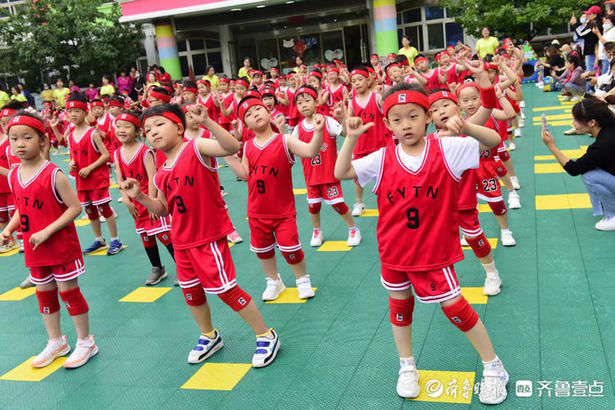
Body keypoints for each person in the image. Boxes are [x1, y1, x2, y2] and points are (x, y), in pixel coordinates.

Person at [334, 84, 509, 404]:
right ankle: (407, 366)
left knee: (456, 308)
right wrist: (351, 136)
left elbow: (495, 141)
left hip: (433, 253)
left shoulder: (448, 149)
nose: (406, 124)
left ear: (428, 117)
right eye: (397, 119)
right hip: (394, 252)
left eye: (413, 116)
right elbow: (341, 171)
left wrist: (466, 126)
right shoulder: (382, 157)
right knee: (400, 307)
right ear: (387, 124)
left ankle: (494, 366)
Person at [121, 103, 280, 367]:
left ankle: (265, 334)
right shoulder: (161, 173)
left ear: (179, 127)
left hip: (207, 238)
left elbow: (232, 147)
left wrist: (207, 122)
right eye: (147, 129)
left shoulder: (196, 147)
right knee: (192, 293)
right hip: (181, 242)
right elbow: (162, 209)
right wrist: (139, 196)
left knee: (227, 290)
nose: (153, 132)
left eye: (160, 124)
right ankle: (209, 335)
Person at [1, 112, 98, 369]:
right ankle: (56, 341)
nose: (20, 143)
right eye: (14, 139)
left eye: (27, 137)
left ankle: (86, 341)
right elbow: (22, 208)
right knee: (43, 293)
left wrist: (47, 231)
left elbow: (74, 207)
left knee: (69, 292)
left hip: (60, 246)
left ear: (43, 141)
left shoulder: (54, 174)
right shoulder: (13, 175)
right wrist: (9, 229)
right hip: (36, 250)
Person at [227, 96, 322, 301]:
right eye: (249, 115)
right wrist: (227, 156)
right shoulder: (249, 147)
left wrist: (319, 131)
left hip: (282, 210)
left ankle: (302, 279)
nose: (255, 115)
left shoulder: (284, 140)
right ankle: (273, 281)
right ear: (245, 125)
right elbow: (244, 174)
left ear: (269, 111)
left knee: (291, 248)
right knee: (263, 251)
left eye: (258, 109)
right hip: (256, 211)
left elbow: (310, 151)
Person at [291, 85, 361, 247]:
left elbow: (345, 133)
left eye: (307, 101)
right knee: (313, 206)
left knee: (338, 204)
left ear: (316, 102)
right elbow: (292, 148)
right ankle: (317, 230)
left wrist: (343, 118)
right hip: (311, 176)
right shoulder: (297, 129)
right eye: (300, 103)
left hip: (329, 174)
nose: (304, 105)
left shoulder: (327, 121)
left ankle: (353, 229)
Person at [113, 111, 175, 285]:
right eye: (118, 126)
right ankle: (157, 268)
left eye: (126, 126)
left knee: (164, 235)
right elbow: (120, 179)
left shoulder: (145, 152)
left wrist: (151, 203)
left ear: (137, 131)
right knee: (146, 237)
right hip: (135, 203)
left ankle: (185, 268)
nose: (121, 130)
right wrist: (126, 199)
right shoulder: (118, 153)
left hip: (149, 200)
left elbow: (153, 177)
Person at [541, 96, 615, 231]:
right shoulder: (610, 129)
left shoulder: (601, 146)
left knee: (590, 176)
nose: (573, 123)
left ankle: (613, 215)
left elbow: (574, 169)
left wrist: (551, 145)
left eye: (576, 120)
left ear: (592, 122)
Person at [65, 93, 123, 255]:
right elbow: (72, 156)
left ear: (85, 112)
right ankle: (99, 239)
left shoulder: (92, 133)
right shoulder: (70, 136)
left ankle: (115, 239)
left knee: (104, 208)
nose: (73, 114)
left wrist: (90, 168)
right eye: (70, 112)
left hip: (96, 178)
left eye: (77, 110)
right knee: (90, 211)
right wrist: (72, 164)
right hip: (81, 180)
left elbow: (105, 155)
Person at [348, 67, 387, 216]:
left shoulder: (377, 97)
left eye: (360, 79)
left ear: (368, 79)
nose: (357, 83)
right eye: (353, 81)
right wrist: (345, 119)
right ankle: (359, 202)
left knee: (383, 177)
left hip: (379, 144)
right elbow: (348, 123)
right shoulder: (352, 103)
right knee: (357, 176)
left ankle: (385, 202)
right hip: (361, 146)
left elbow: (386, 113)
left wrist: (384, 98)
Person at [570, 6, 602, 73]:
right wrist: (573, 24)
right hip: (590, 51)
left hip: (592, 52)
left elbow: (581, 34)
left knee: (590, 73)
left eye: (589, 14)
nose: (587, 15)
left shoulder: (595, 25)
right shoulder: (589, 23)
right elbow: (580, 30)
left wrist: (574, 24)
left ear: (595, 15)